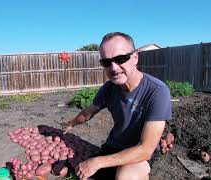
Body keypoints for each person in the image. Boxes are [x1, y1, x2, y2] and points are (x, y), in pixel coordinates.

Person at [63, 32, 173, 180]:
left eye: (121, 59)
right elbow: (88, 112)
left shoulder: (157, 91)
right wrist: (71, 124)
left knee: (126, 176)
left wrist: (97, 162)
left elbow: (146, 149)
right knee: (76, 172)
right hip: (113, 147)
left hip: (139, 154)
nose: (114, 68)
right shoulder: (109, 88)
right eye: (106, 62)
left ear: (135, 58)